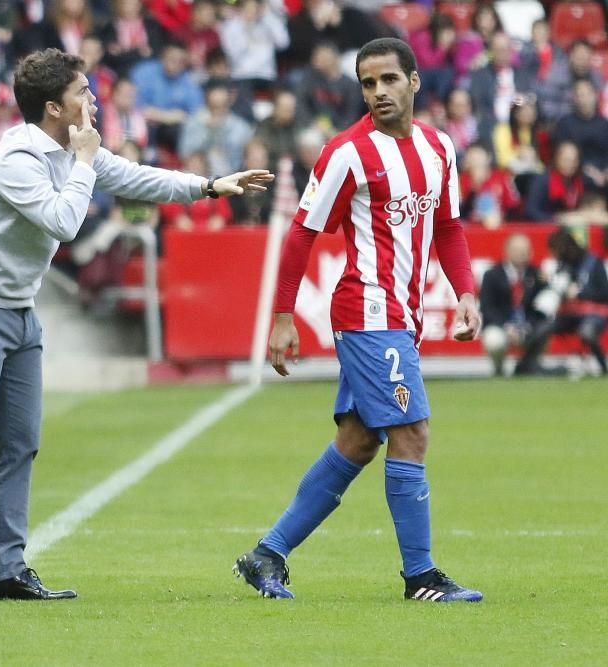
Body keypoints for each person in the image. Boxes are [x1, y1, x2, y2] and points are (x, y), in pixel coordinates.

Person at [0, 48, 272, 604]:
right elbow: (65, 222)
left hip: (16, 311)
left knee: (20, 441)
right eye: (83, 92)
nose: (94, 100)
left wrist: (209, 186)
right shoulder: (18, 157)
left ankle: (5, 569)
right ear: (55, 107)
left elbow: (136, 178)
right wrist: (84, 161)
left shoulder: (74, 149)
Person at [234, 38, 484, 603]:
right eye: (368, 84)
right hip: (369, 314)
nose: (378, 93)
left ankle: (266, 554)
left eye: (389, 80)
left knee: (358, 441)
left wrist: (465, 293)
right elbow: (302, 231)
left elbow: (448, 228)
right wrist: (282, 316)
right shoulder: (347, 152)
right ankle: (421, 578)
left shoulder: (439, 148)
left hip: (403, 316)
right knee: (412, 433)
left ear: (415, 82)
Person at [515, 228, 608, 376]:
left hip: (593, 314)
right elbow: (555, 292)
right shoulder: (562, 266)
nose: (555, 256)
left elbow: (604, 293)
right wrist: (544, 283)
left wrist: (580, 294)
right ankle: (524, 367)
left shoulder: (594, 263)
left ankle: (603, 368)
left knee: (587, 332)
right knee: (541, 329)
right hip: (569, 315)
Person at [480, 234, 545, 376]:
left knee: (544, 330)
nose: (521, 254)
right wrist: (506, 326)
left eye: (524, 250)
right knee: (494, 340)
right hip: (502, 326)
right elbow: (487, 307)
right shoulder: (492, 275)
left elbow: (541, 307)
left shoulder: (536, 274)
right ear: (507, 251)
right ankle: (499, 368)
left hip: (527, 327)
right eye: (517, 249)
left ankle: (528, 366)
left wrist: (528, 326)